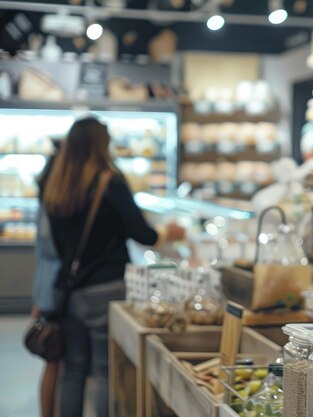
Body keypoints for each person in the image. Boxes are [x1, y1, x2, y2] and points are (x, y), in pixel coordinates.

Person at [40, 117, 184, 417]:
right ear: (101, 145)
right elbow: (142, 234)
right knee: (105, 370)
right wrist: (167, 234)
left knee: (73, 370)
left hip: (67, 290)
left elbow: (55, 243)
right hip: (106, 288)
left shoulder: (56, 184)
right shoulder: (109, 181)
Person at [32, 139, 63, 417]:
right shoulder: (57, 200)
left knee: (53, 361)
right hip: (55, 288)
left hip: (47, 286)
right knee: (56, 361)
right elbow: (53, 250)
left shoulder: (47, 197)